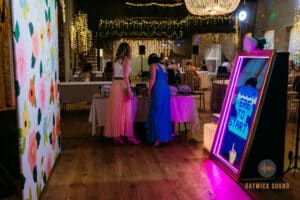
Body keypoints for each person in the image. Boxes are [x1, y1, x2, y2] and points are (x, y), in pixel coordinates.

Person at [104, 42, 140, 144]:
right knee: (126, 111)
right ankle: (129, 137)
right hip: (122, 85)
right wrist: (129, 91)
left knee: (116, 111)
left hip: (115, 85)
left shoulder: (116, 60)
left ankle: (117, 136)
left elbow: (113, 76)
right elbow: (126, 77)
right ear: (128, 50)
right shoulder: (127, 60)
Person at [146, 53, 172, 147]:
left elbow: (152, 79)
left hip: (158, 89)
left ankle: (157, 139)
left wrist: (149, 90)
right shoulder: (163, 66)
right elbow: (167, 79)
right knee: (164, 113)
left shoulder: (153, 66)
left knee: (156, 112)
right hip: (165, 89)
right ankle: (164, 137)